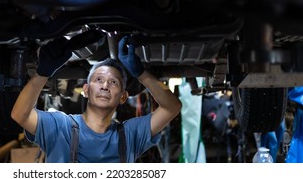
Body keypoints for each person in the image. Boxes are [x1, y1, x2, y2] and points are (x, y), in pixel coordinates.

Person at [11, 35, 182, 163]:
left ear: (123, 97)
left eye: (113, 82)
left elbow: (172, 107)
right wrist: (43, 74)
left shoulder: (130, 135)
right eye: (98, 79)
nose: (105, 85)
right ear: (86, 90)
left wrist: (142, 74)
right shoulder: (59, 127)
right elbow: (20, 115)